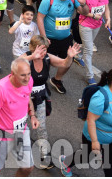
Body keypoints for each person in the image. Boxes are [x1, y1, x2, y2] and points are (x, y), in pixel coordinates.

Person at [21, 35, 80, 169]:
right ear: (33, 49)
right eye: (41, 50)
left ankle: (44, 157)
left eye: (45, 50)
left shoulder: (47, 58)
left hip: (40, 97)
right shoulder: (26, 59)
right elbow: (16, 62)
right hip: (22, 99)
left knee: (41, 127)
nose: (44, 53)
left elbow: (64, 63)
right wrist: (32, 57)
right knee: (19, 126)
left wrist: (69, 57)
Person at [59, 68, 112, 177]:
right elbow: (90, 120)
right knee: (86, 156)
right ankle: (65, 162)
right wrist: (95, 141)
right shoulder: (100, 98)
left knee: (109, 164)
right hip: (95, 137)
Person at [36, 0, 90, 94]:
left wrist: (83, 3)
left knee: (68, 61)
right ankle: (42, 82)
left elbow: (85, 12)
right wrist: (44, 37)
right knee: (46, 62)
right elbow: (40, 18)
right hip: (49, 39)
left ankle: (57, 79)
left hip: (65, 38)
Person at [0, 57, 38, 176]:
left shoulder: (29, 81)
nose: (27, 78)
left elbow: (27, 98)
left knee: (28, 167)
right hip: (2, 135)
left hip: (21, 131)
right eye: (23, 75)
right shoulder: (1, 89)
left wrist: (32, 115)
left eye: (29, 74)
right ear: (13, 74)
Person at [78, 0, 111, 84]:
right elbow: (80, 11)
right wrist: (93, 15)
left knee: (88, 45)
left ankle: (79, 56)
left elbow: (106, 7)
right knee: (89, 50)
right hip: (85, 24)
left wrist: (108, 19)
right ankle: (90, 76)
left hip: (97, 25)